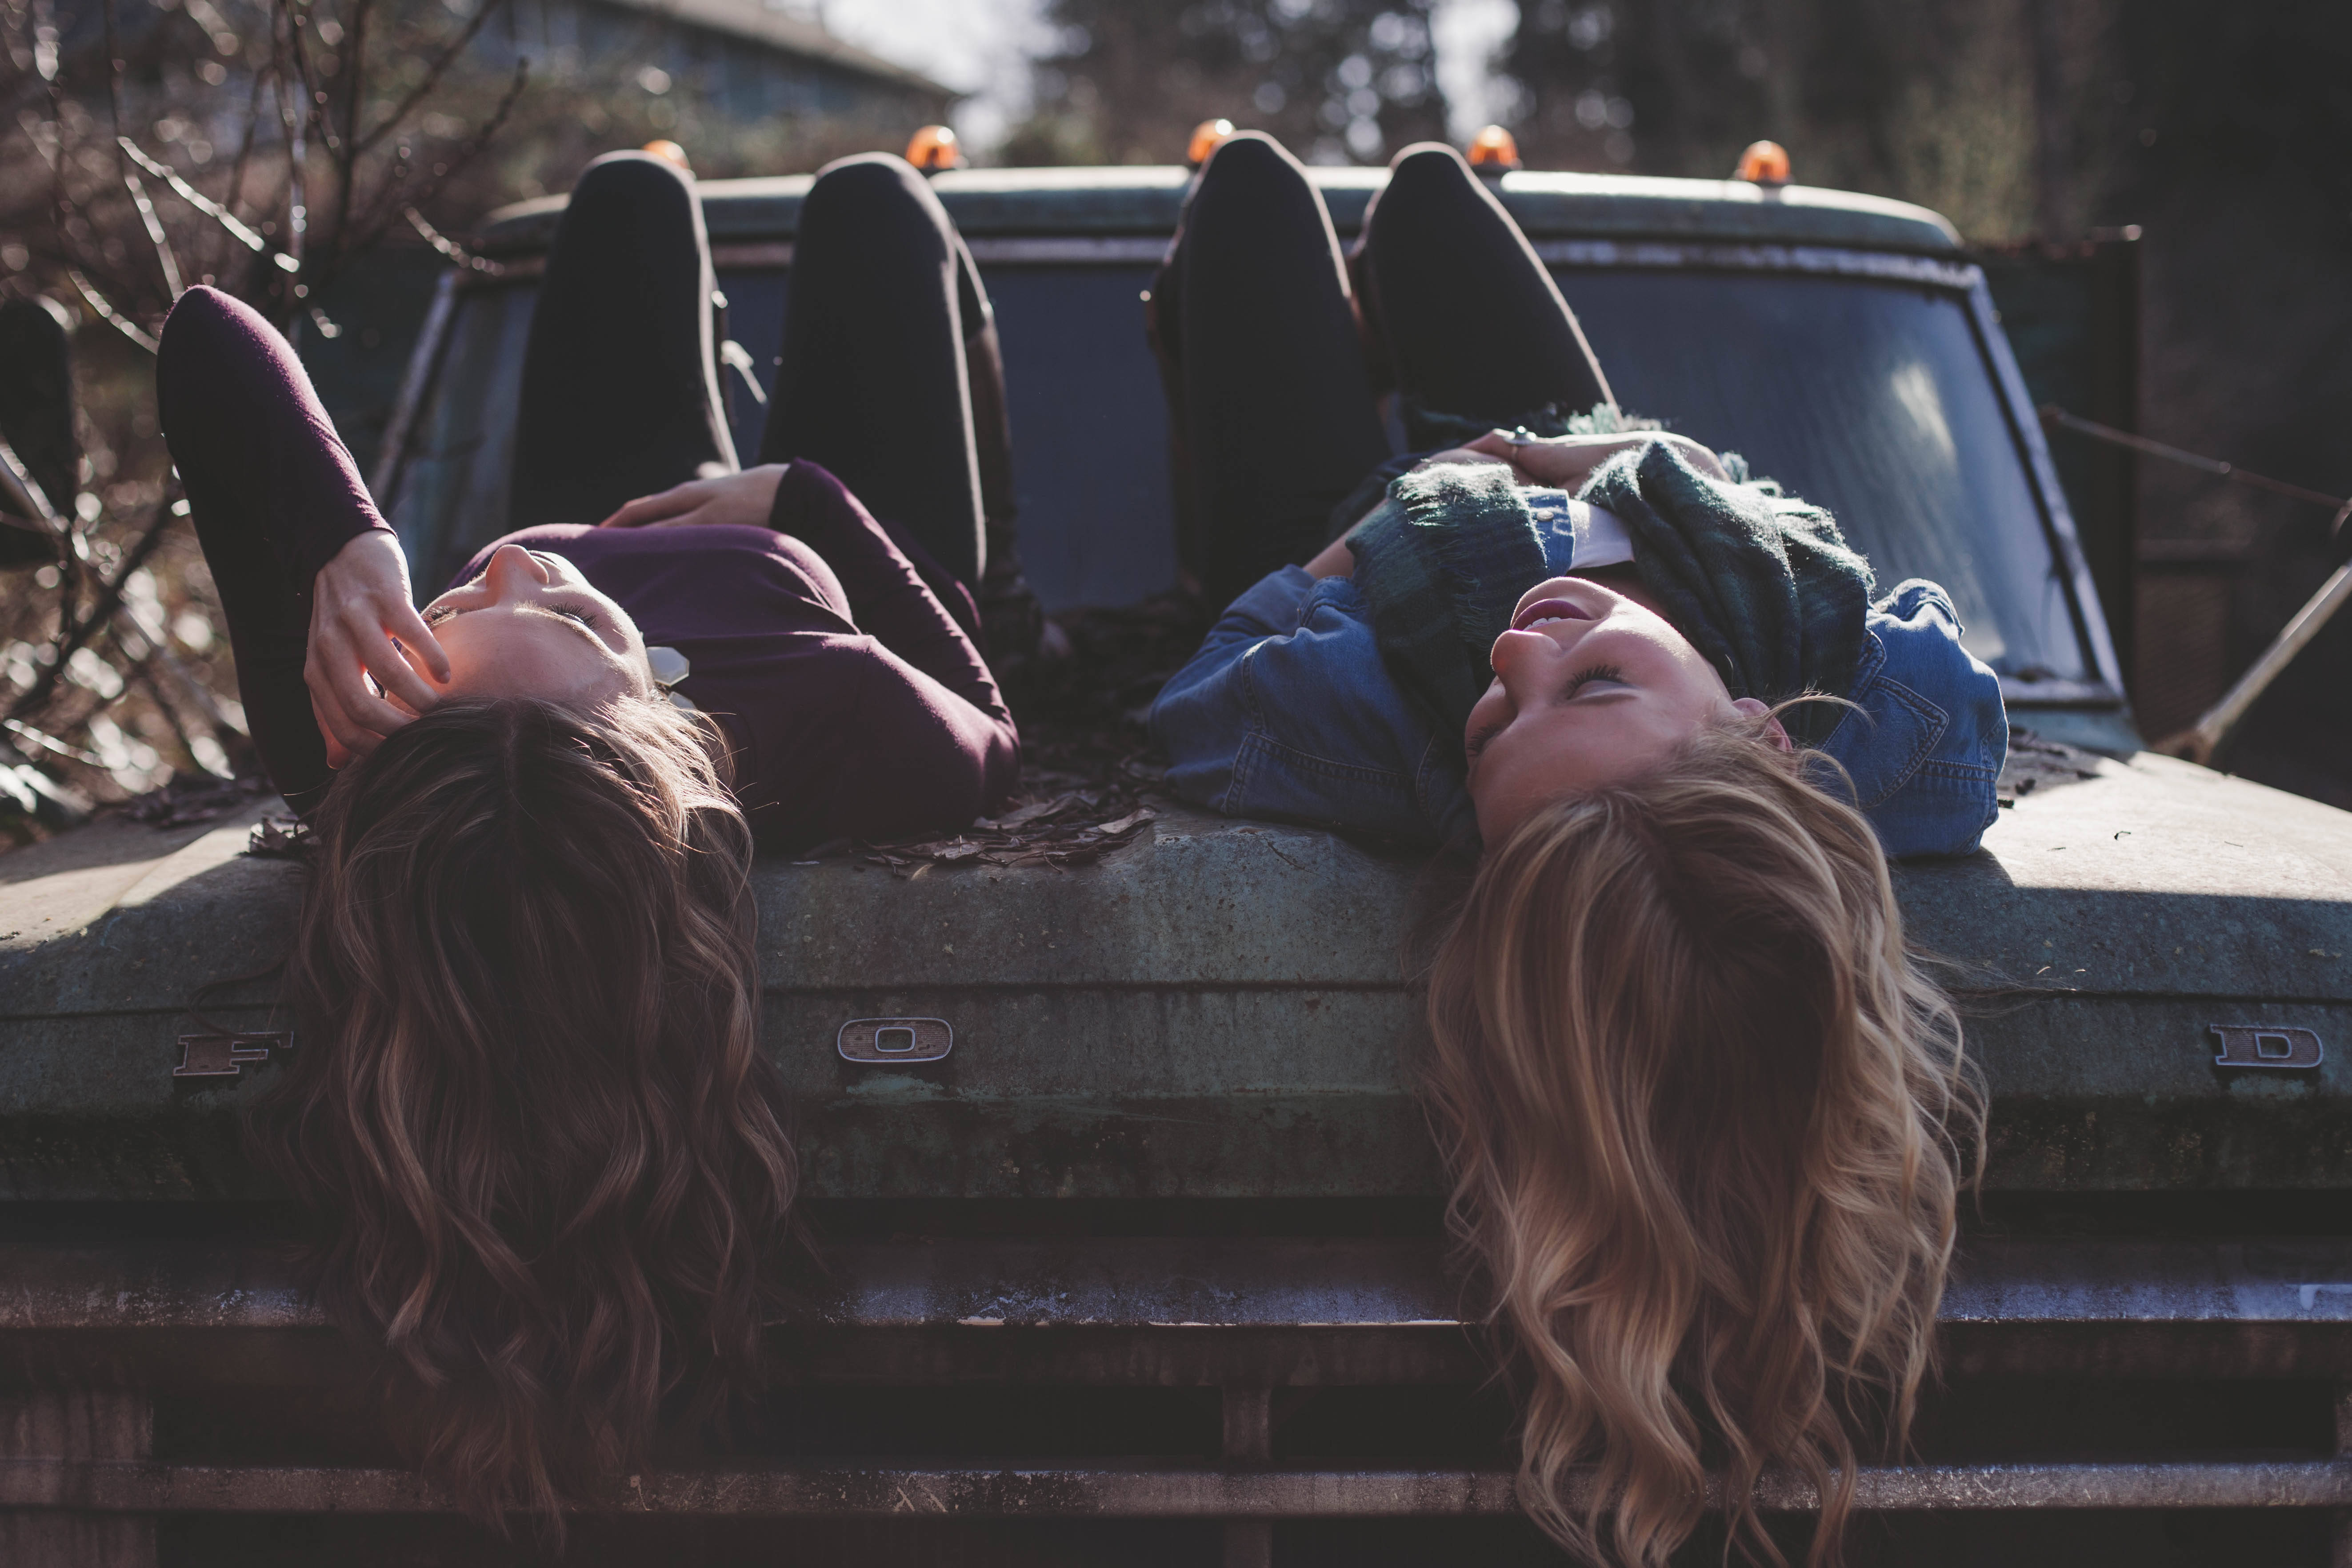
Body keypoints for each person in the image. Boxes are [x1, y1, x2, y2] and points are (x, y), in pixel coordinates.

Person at [1147, 133, 1993, 1567]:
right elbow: (1850, 581)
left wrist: (1378, 531)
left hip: (1365, 543)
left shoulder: (1363, 721)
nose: (1513, 662)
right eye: (1595, 688)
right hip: (1613, 473)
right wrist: (1583, 466)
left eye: (1498, 730)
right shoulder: (1896, 732)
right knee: (1427, 187)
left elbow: (1205, 683)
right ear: (1761, 734)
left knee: (1248, 199)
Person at [156, 149, 1020, 1524]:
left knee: (623, 192)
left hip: (617, 486)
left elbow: (207, 332)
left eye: (446, 612)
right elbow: (990, 717)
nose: (505, 565)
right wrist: (805, 504)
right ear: (659, 741)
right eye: (560, 624)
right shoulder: (825, 719)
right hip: (823, 542)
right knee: (871, 202)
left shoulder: (358, 748)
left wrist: (343, 540)